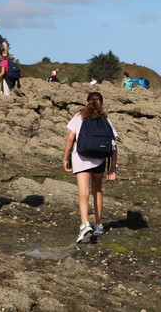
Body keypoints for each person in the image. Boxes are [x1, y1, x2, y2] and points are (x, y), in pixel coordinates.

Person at [62, 91, 118, 243]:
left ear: (86, 102)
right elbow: (113, 145)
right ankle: (98, 225)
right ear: (102, 104)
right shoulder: (105, 119)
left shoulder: (79, 116)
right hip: (99, 160)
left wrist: (65, 158)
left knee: (83, 192)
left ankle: (85, 224)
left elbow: (70, 139)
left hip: (81, 158)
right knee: (97, 190)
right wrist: (113, 167)